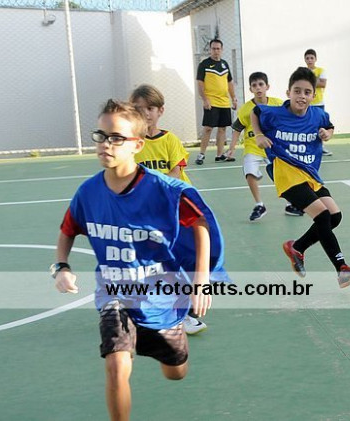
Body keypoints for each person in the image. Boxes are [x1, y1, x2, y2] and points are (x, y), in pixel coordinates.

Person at [52, 100, 226, 421]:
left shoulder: (163, 190)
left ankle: (168, 343)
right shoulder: (88, 193)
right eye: (101, 135)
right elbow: (68, 230)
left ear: (137, 145)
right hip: (115, 294)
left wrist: (201, 281)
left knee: (176, 371)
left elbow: (201, 225)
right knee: (116, 365)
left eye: (116, 137)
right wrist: (61, 267)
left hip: (161, 298)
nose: (106, 144)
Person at [251, 67, 350, 288]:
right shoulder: (275, 114)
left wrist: (328, 134)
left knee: (334, 216)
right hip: (285, 171)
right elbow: (256, 112)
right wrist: (258, 135)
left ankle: (297, 247)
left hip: (309, 173)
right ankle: (342, 269)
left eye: (306, 92)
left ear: (313, 96)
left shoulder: (318, 115)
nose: (301, 96)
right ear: (288, 93)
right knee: (322, 215)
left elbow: (329, 126)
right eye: (297, 91)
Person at [130, 84, 207, 335]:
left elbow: (175, 174)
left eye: (150, 108)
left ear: (160, 111)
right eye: (139, 109)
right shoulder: (132, 145)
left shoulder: (169, 140)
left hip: (178, 209)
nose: (145, 113)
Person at [226, 72, 283, 221]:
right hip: (253, 147)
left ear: (267, 87)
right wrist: (232, 148)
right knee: (249, 172)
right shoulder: (246, 109)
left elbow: (290, 120)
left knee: (282, 176)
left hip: (274, 148)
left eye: (261, 84)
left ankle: (292, 203)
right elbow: (237, 128)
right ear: (250, 89)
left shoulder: (278, 104)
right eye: (254, 85)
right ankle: (259, 205)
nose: (258, 88)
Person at [195, 38, 238, 165]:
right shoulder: (204, 64)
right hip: (211, 101)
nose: (216, 51)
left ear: (222, 50)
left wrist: (233, 98)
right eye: (213, 48)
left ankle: (219, 155)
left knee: (222, 129)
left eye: (218, 49)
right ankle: (201, 154)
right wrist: (205, 99)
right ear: (210, 49)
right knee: (208, 128)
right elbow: (200, 83)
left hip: (224, 102)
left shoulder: (225, 64)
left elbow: (229, 83)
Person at [304, 49, 332, 157]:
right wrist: (314, 80)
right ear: (305, 60)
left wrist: (309, 79)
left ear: (315, 59)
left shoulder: (321, 70)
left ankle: (321, 147)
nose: (310, 60)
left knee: (320, 125)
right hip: (306, 103)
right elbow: (303, 84)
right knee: (306, 125)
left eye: (312, 58)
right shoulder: (303, 71)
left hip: (318, 103)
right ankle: (306, 147)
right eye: (307, 58)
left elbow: (322, 84)